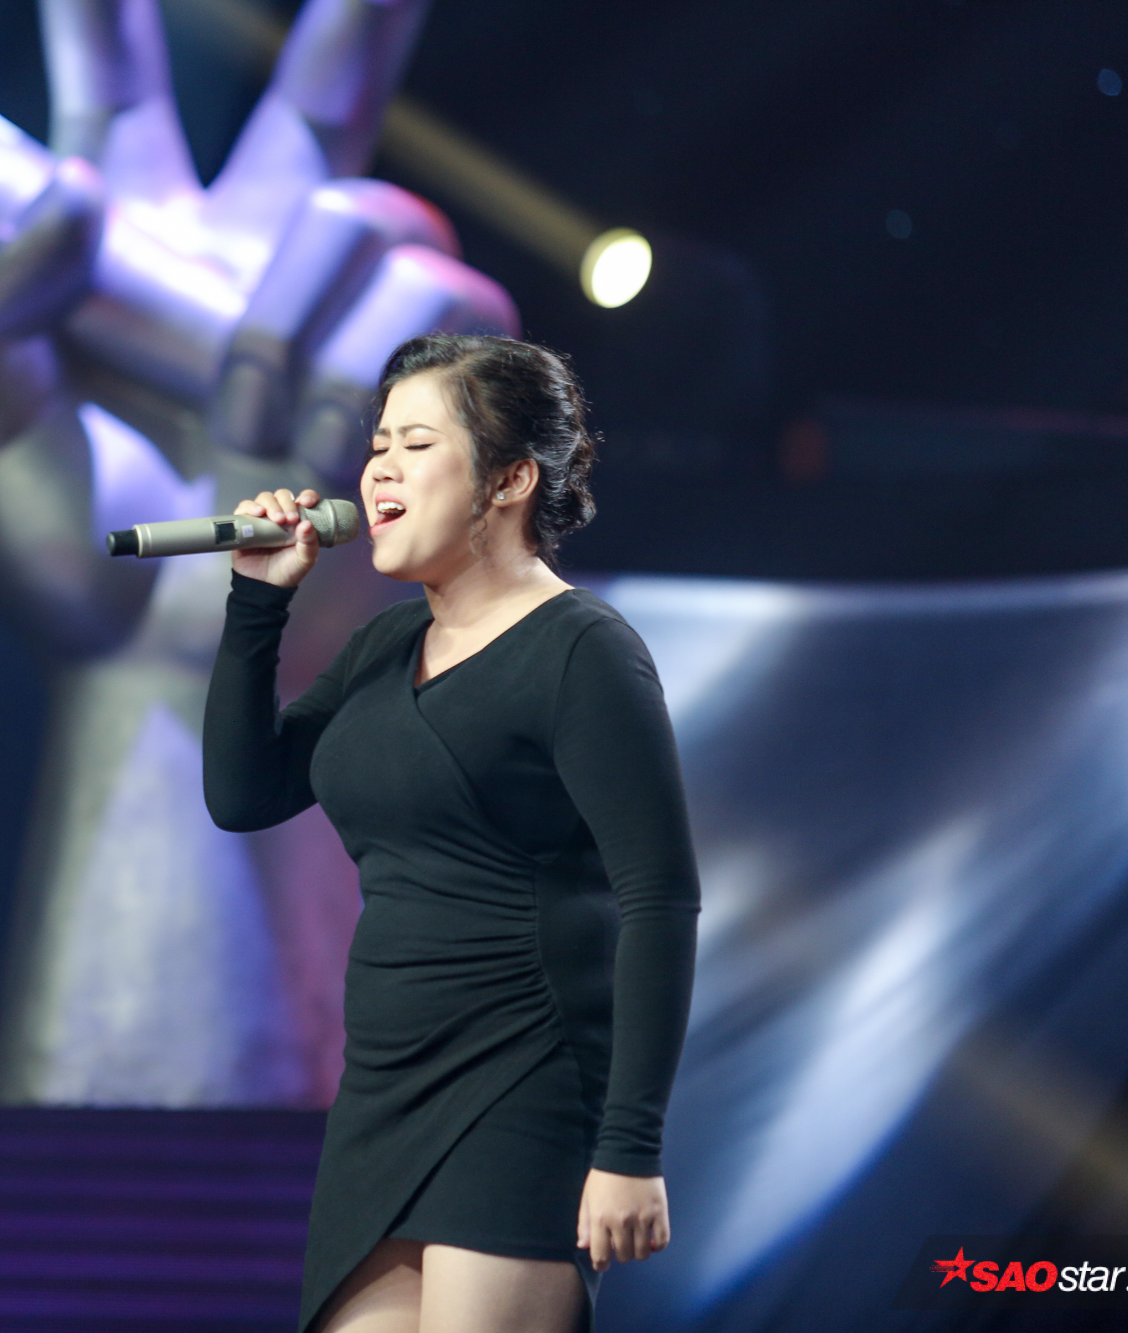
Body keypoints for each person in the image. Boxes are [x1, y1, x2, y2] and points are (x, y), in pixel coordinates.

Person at [202, 333, 701, 1333]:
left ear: (509, 480)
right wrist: (257, 602)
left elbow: (658, 898)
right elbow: (245, 794)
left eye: (416, 444)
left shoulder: (583, 651)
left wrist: (628, 1147)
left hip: (522, 1080)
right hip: (384, 1090)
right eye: (377, 445)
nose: (379, 469)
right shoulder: (384, 645)